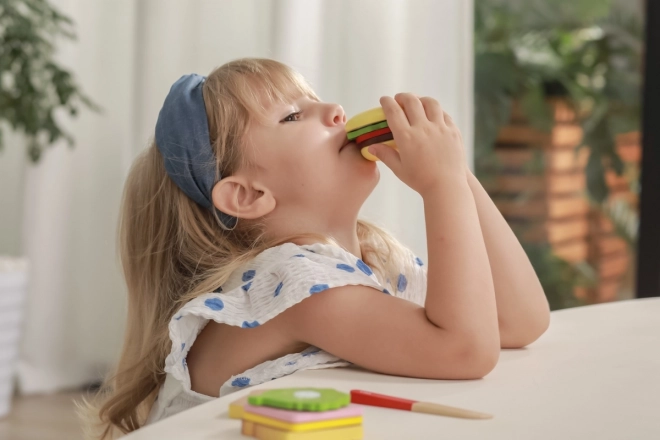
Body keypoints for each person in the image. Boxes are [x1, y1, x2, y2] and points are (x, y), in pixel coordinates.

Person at [79, 58, 550, 439]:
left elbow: (518, 322)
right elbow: (466, 351)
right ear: (248, 195)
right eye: (293, 116)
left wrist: (457, 174)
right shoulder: (290, 283)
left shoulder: (372, 257)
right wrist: (441, 186)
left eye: (314, 100)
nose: (337, 111)